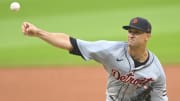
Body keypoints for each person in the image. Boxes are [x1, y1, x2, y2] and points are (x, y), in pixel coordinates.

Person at [22, 17, 168, 101]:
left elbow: (160, 97)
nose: (131, 35)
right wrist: (38, 33)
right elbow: (71, 42)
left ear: (147, 36)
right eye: (130, 31)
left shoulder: (156, 71)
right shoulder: (111, 51)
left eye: (136, 32)